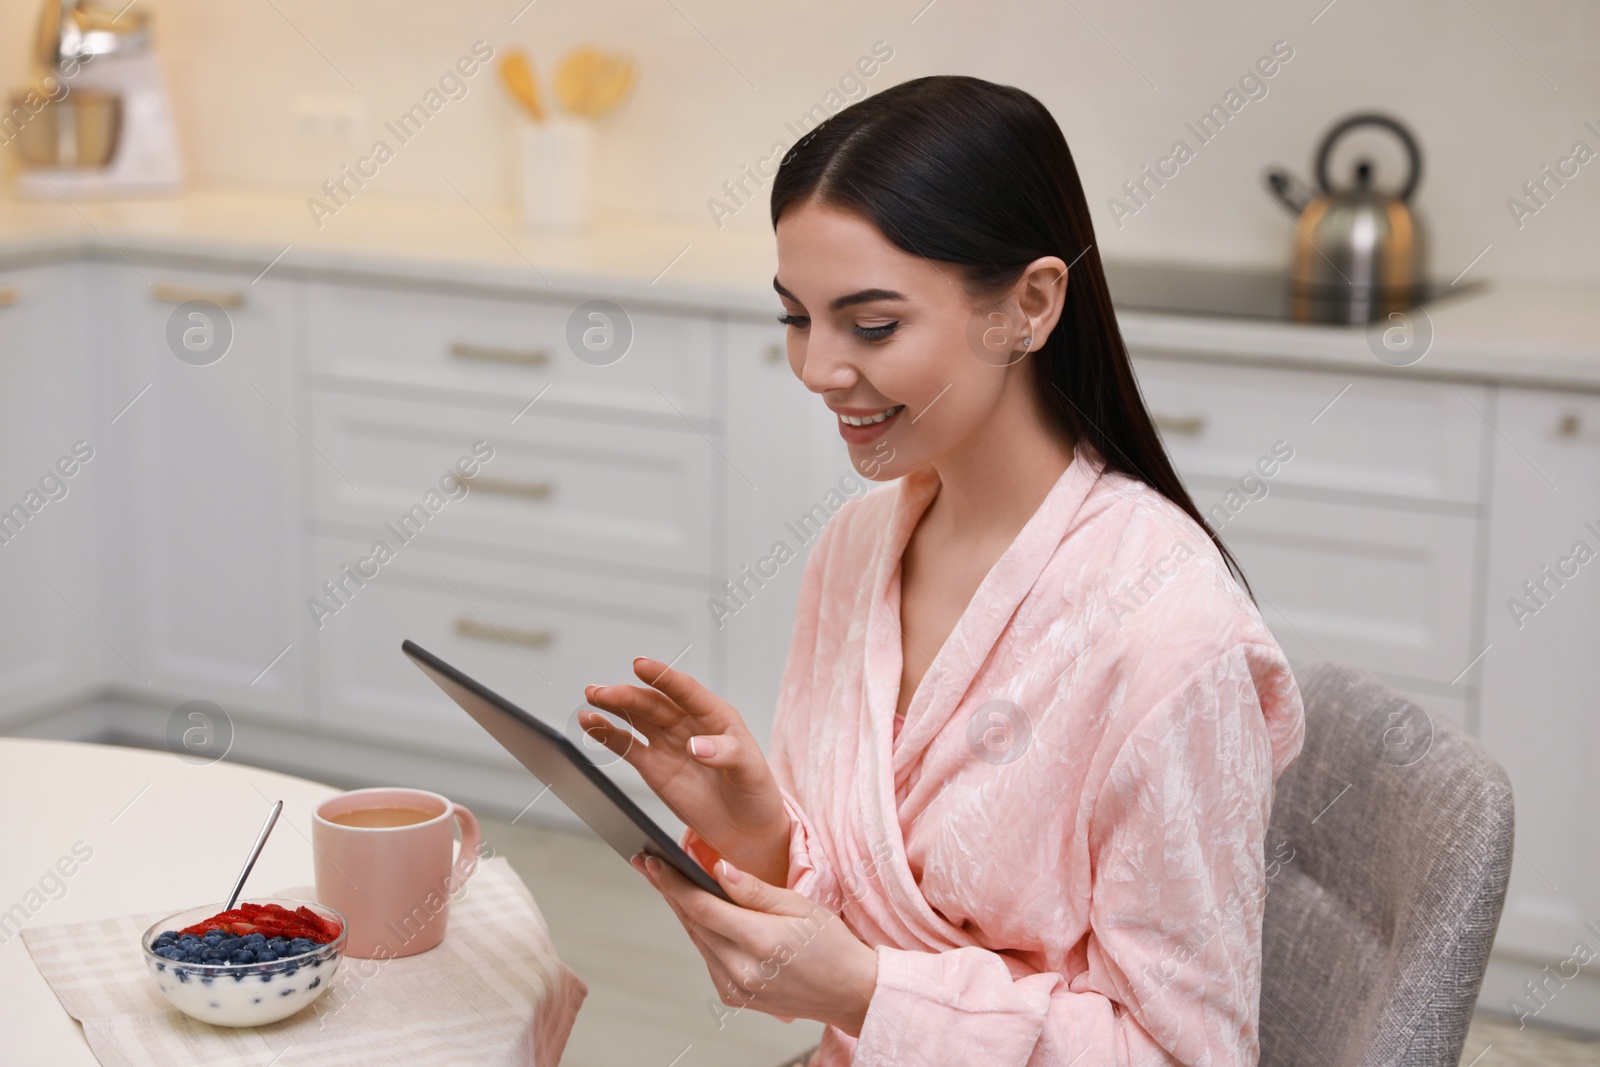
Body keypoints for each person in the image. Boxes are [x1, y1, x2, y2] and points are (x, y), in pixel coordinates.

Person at [580, 74, 1305, 1066]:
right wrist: (758, 833)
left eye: (871, 325)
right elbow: (863, 901)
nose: (819, 369)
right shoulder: (856, 550)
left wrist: (873, 994)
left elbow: (1187, 1056)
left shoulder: (1168, 635)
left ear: (1030, 304)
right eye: (796, 317)